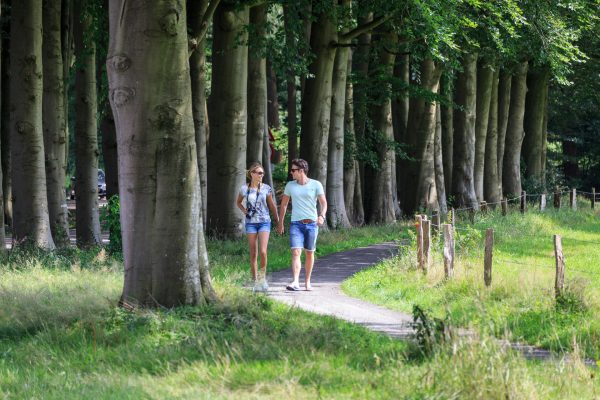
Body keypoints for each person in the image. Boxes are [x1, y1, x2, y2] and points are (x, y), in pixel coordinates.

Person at [277, 158, 327, 291]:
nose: (291, 172)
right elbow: (284, 205)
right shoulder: (290, 186)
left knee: (309, 253)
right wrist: (280, 223)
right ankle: (295, 282)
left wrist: (321, 216)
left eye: (293, 170)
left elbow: (324, 203)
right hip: (296, 224)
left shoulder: (316, 184)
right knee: (295, 251)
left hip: (312, 224)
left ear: (301, 171)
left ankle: (307, 282)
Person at [236, 162, 279, 292]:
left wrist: (278, 221)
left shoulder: (266, 188)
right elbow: (238, 202)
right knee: (253, 252)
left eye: (262, 173)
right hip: (250, 223)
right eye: (259, 173)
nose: (261, 175)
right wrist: (245, 211)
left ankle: (262, 279)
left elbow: (271, 206)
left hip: (264, 221)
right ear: (252, 174)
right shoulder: (244, 189)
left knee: (263, 251)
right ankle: (255, 281)